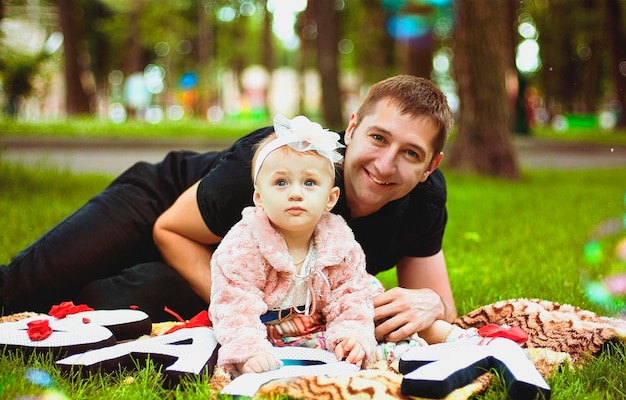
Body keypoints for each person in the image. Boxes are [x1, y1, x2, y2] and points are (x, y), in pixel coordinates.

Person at [0, 75, 456, 343]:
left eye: (410, 154)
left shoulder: (424, 201)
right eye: (378, 138)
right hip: (163, 211)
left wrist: (430, 304)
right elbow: (171, 230)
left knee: (114, 308)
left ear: (430, 166)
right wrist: (262, 317)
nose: (384, 164)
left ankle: (105, 286)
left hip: (238, 265)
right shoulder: (280, 162)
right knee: (28, 286)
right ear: (352, 127)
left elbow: (440, 317)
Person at [210, 115, 378, 373]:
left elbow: (349, 295)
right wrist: (249, 351)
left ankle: (444, 336)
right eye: (281, 182)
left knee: (371, 295)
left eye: (309, 183)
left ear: (331, 198)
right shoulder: (245, 244)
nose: (296, 193)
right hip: (264, 332)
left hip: (317, 327)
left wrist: (351, 335)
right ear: (259, 197)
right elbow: (235, 304)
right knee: (257, 359)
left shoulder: (340, 244)